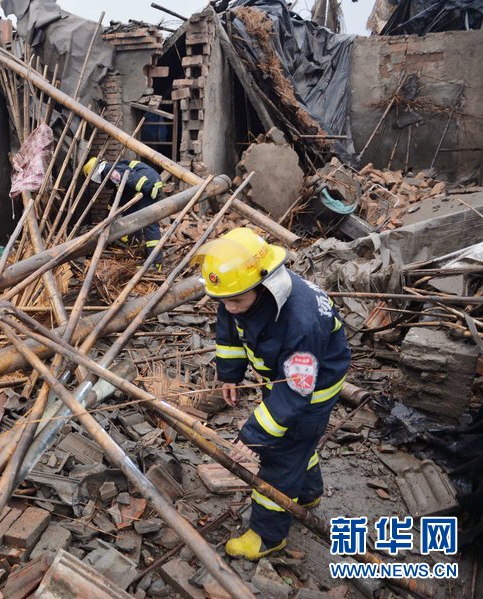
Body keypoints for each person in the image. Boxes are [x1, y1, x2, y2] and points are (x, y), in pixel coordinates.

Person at [195, 227, 351, 560]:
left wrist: (252, 437)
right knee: (297, 448)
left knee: (280, 455)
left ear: (264, 284)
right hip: (285, 379)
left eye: (236, 300)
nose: (229, 307)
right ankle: (308, 492)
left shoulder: (300, 322)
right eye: (222, 300)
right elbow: (230, 330)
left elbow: (295, 393)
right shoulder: (238, 290)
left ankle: (267, 536)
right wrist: (230, 375)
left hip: (313, 389)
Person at [83, 157, 165, 270]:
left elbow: (131, 178)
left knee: (149, 225)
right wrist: (108, 216)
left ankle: (155, 263)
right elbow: (121, 194)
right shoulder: (113, 169)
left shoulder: (109, 170)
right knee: (133, 217)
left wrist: (148, 188)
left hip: (147, 187)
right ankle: (135, 246)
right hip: (146, 186)